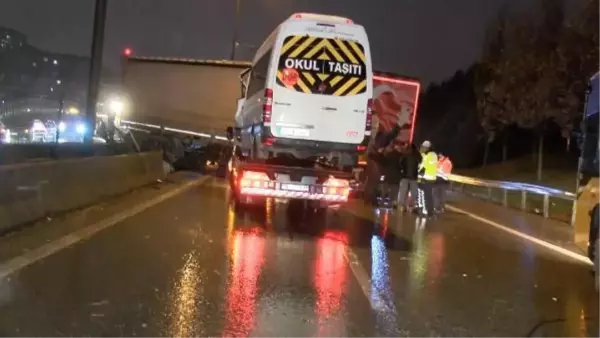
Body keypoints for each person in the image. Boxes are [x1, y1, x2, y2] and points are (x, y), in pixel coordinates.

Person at [397, 143, 421, 212]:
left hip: (405, 176)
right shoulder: (417, 155)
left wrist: (402, 170)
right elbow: (420, 161)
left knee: (403, 192)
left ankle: (401, 205)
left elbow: (400, 163)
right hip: (413, 177)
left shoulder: (404, 154)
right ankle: (411, 205)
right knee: (413, 192)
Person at [416, 140, 437, 217]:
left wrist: (418, 172)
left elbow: (423, 167)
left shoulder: (428, 155)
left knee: (426, 195)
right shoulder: (432, 154)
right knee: (425, 194)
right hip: (429, 178)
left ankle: (428, 212)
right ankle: (425, 210)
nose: (422, 149)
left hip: (427, 178)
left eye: (423, 147)